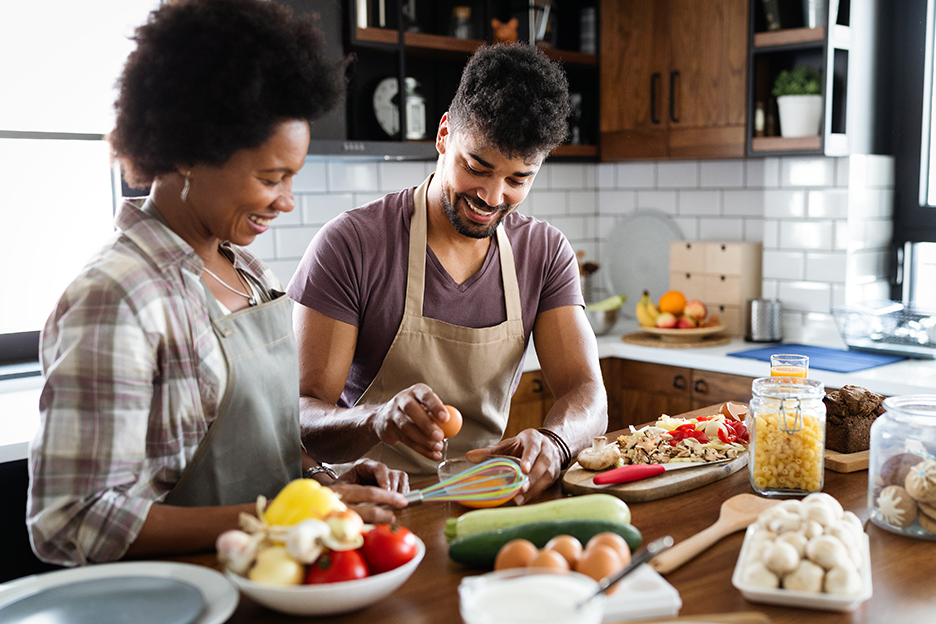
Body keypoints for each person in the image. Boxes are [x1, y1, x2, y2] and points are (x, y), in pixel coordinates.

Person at [28, 0, 407, 568]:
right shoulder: (119, 297)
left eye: (292, 178)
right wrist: (291, 514)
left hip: (274, 584)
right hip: (183, 598)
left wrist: (321, 480)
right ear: (188, 153)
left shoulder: (249, 273)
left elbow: (265, 450)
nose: (286, 201)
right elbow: (73, 519)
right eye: (271, 178)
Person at [288, 43, 607, 505]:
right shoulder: (352, 244)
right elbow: (299, 417)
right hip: (375, 508)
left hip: (488, 501)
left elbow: (586, 391)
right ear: (443, 136)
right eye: (477, 167)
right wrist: (376, 419)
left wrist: (556, 442)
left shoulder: (543, 251)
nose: (493, 197)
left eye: (519, 180)